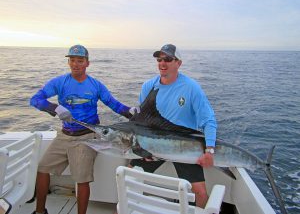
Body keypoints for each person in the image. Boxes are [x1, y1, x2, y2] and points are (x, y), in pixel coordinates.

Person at [30, 45, 135, 214]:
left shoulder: (95, 85)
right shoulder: (59, 82)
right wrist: (54, 108)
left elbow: (114, 104)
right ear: (68, 62)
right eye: (72, 60)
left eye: (80, 61)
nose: (75, 64)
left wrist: (130, 112)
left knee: (81, 179)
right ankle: (40, 211)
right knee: (42, 168)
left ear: (87, 63)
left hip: (86, 137)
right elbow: (35, 99)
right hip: (64, 135)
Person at [129, 44, 217, 208]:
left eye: (168, 59)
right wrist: (142, 148)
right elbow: (141, 120)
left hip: (182, 146)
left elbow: (208, 120)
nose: (162, 63)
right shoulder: (148, 86)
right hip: (152, 145)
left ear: (179, 63)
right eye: (159, 59)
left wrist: (209, 150)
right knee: (129, 178)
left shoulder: (191, 88)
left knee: (200, 192)